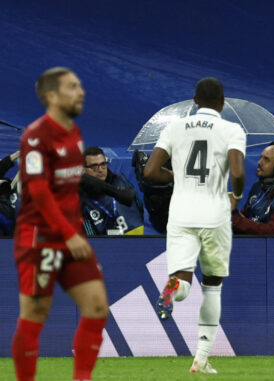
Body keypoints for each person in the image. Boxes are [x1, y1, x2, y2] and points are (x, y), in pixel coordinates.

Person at [143, 77, 246, 374]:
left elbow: (150, 171)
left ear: (194, 100)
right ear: (223, 103)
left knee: (184, 281)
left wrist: (177, 176)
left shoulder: (174, 128)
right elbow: (237, 173)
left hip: (181, 214)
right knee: (213, 285)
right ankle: (200, 359)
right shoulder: (231, 129)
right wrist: (235, 196)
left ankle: (173, 286)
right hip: (215, 212)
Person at [12, 67, 108, 381]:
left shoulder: (76, 134)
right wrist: (69, 234)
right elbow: (38, 191)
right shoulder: (36, 136)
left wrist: (74, 229)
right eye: (72, 87)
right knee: (35, 315)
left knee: (96, 307)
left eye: (80, 85)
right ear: (52, 96)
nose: (81, 92)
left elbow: (67, 192)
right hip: (39, 238)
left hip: (71, 237)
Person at [81, 146, 145, 235]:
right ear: (83, 170)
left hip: (139, 240)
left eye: (103, 164)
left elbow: (139, 207)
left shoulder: (121, 180)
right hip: (107, 246)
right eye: (94, 166)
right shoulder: (81, 199)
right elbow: (90, 238)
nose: (100, 170)